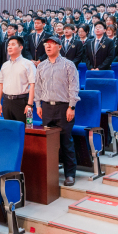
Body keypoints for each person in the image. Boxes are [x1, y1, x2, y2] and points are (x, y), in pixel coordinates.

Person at [34, 36, 80, 187]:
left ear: (59, 47)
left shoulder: (68, 65)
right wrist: (38, 105)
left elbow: (73, 87)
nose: (48, 47)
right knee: (48, 143)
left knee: (66, 142)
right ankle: (50, 174)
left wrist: (71, 107)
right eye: (46, 44)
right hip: (47, 107)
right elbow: (38, 87)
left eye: (52, 44)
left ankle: (70, 174)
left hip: (63, 107)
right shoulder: (41, 66)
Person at [0, 36, 36, 122]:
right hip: (6, 101)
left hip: (21, 102)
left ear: (21, 47)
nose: (9, 47)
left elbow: (33, 85)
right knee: (8, 128)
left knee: (24, 128)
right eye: (8, 45)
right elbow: (0, 84)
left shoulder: (28, 64)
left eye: (13, 45)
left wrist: (30, 104)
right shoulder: (5, 65)